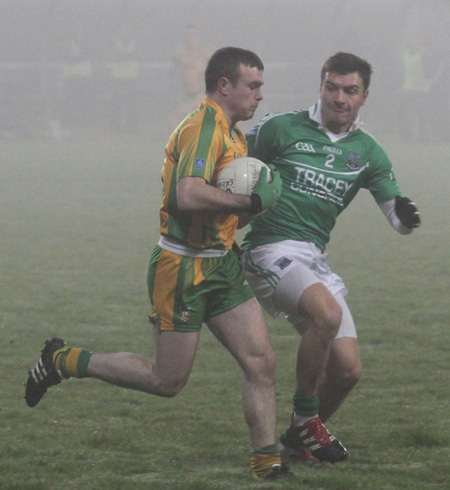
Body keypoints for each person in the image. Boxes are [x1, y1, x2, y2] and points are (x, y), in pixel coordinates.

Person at [25, 47, 290, 481]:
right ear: (224, 85)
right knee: (167, 381)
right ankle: (63, 360)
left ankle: (267, 463)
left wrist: (254, 207)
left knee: (262, 361)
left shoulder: (235, 134)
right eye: (253, 85)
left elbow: (229, 211)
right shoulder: (202, 128)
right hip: (183, 268)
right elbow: (186, 195)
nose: (260, 95)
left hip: (222, 264)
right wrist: (248, 199)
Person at [240, 52, 421, 466]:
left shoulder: (368, 151)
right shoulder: (281, 128)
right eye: (332, 87)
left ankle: (293, 441)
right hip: (269, 249)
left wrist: (405, 217)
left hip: (313, 259)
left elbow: (394, 211)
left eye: (350, 91)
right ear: (321, 86)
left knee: (347, 371)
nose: (339, 98)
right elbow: (234, 171)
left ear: (364, 96)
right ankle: (306, 416)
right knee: (327, 314)